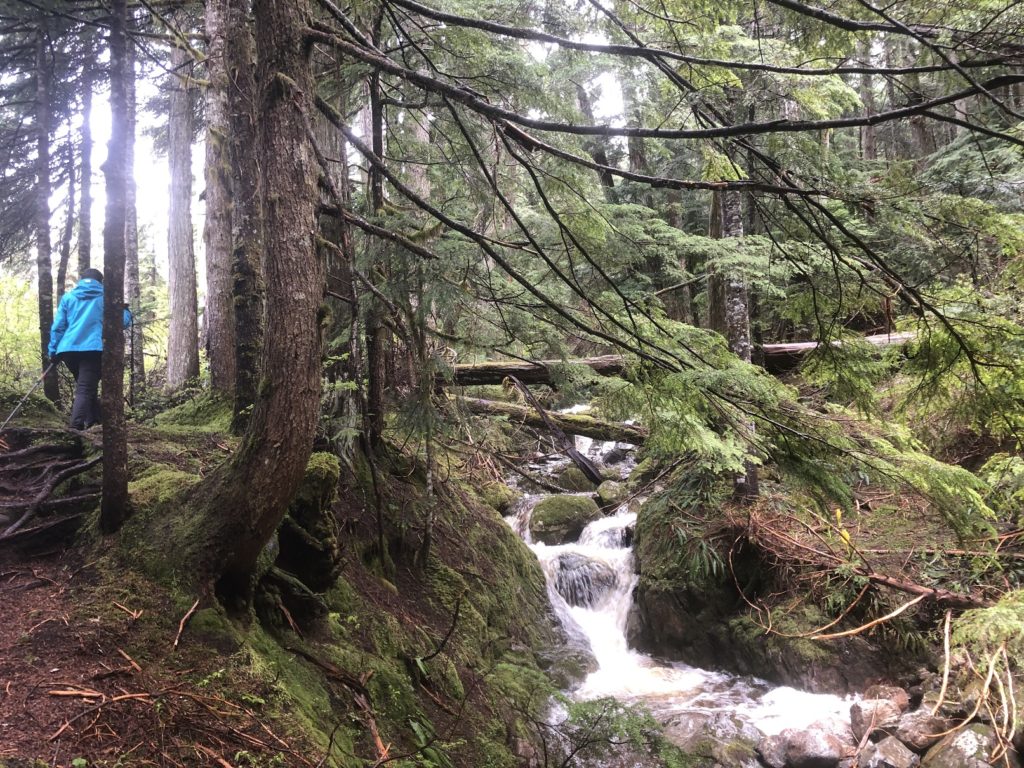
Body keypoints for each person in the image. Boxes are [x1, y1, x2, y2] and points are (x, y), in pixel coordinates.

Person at [47, 268, 131, 430]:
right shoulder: (107, 298)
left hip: (69, 350)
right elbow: (122, 322)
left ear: (81, 279)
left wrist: (53, 351)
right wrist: (125, 310)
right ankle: (75, 429)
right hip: (94, 349)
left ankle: (93, 422)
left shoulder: (69, 297)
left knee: (86, 385)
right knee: (85, 388)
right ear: (101, 281)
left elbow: (58, 327)